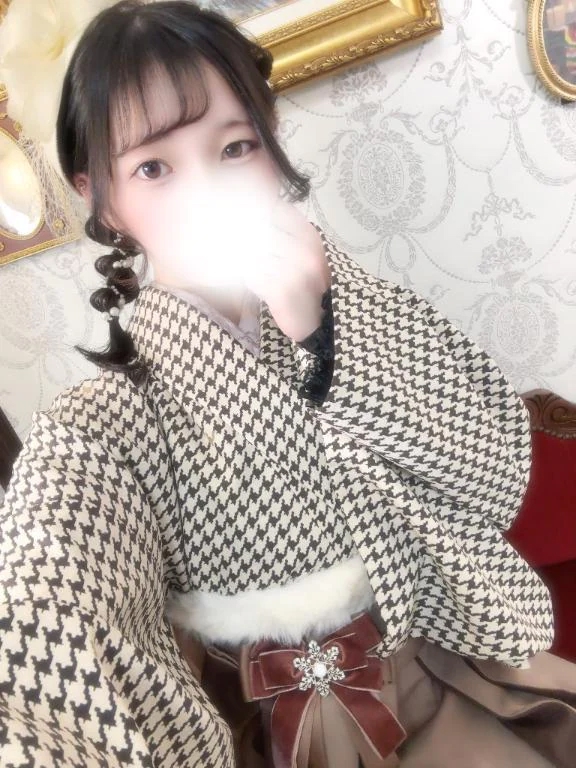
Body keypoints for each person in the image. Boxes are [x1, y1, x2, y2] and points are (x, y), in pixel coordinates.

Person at [1, 1, 575, 766]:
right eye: (153, 168)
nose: (206, 189)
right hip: (299, 731)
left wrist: (322, 337)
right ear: (98, 194)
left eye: (235, 147)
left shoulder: (357, 304)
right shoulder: (100, 425)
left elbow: (489, 473)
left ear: (270, 140)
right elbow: (47, 604)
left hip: (439, 663)